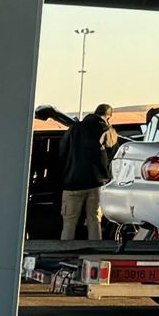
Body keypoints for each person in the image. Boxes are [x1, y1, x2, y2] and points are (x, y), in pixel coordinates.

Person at [37, 101, 117, 244]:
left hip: (72, 184)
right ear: (108, 117)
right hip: (96, 184)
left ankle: (65, 252)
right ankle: (95, 252)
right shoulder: (107, 130)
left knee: (69, 222)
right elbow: (113, 155)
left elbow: (62, 152)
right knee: (94, 220)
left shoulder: (74, 128)